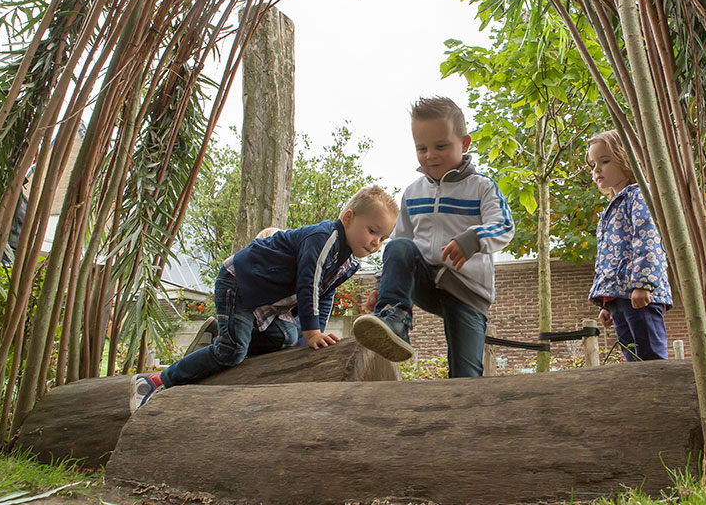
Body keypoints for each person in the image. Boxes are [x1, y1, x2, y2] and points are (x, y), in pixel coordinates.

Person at [130, 185, 398, 410]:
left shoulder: (349, 262)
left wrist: (319, 334)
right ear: (348, 218)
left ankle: (226, 337)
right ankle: (155, 382)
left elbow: (325, 294)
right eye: (372, 231)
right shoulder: (325, 238)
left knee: (289, 338)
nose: (376, 242)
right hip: (240, 284)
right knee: (231, 352)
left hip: (267, 302)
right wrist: (312, 331)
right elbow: (310, 284)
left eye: (382, 238)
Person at [352, 96, 514, 377]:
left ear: (464, 144)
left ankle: (464, 412)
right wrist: (382, 288)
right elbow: (400, 244)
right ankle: (396, 320)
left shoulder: (482, 188)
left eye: (441, 146)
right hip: (426, 281)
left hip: (467, 291)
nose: (430, 155)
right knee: (399, 246)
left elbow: (504, 225)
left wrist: (472, 239)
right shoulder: (413, 193)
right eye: (421, 148)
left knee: (465, 374)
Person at [586, 129, 672, 361]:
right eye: (593, 164)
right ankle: (644, 397)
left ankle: (661, 396)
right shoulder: (611, 207)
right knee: (633, 358)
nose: (597, 170)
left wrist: (643, 284)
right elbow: (609, 257)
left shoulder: (639, 196)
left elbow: (648, 239)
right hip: (620, 298)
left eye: (604, 161)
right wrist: (606, 302)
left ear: (627, 159)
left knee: (651, 357)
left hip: (640, 295)